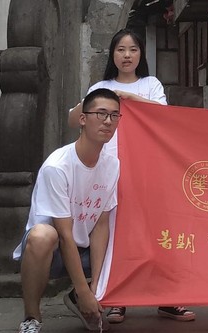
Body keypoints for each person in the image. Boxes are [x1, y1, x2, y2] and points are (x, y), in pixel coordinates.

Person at [68, 28, 195, 324]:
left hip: (148, 171)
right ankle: (117, 298)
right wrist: (95, 99)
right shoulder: (101, 87)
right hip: (108, 170)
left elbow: (164, 116)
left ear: (141, 54)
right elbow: (75, 119)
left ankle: (167, 298)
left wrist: (129, 98)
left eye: (133, 49)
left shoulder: (151, 84)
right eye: (121, 49)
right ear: (112, 54)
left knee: (156, 233)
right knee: (114, 234)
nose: (127, 55)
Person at [14, 88, 122, 333]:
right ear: (82, 119)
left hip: (83, 250)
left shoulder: (112, 165)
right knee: (43, 235)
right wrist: (85, 292)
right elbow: (64, 234)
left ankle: (81, 298)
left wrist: (95, 289)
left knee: (129, 235)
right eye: (101, 113)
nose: (108, 121)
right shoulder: (58, 166)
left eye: (114, 115)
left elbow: (101, 224)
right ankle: (31, 317)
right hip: (51, 252)